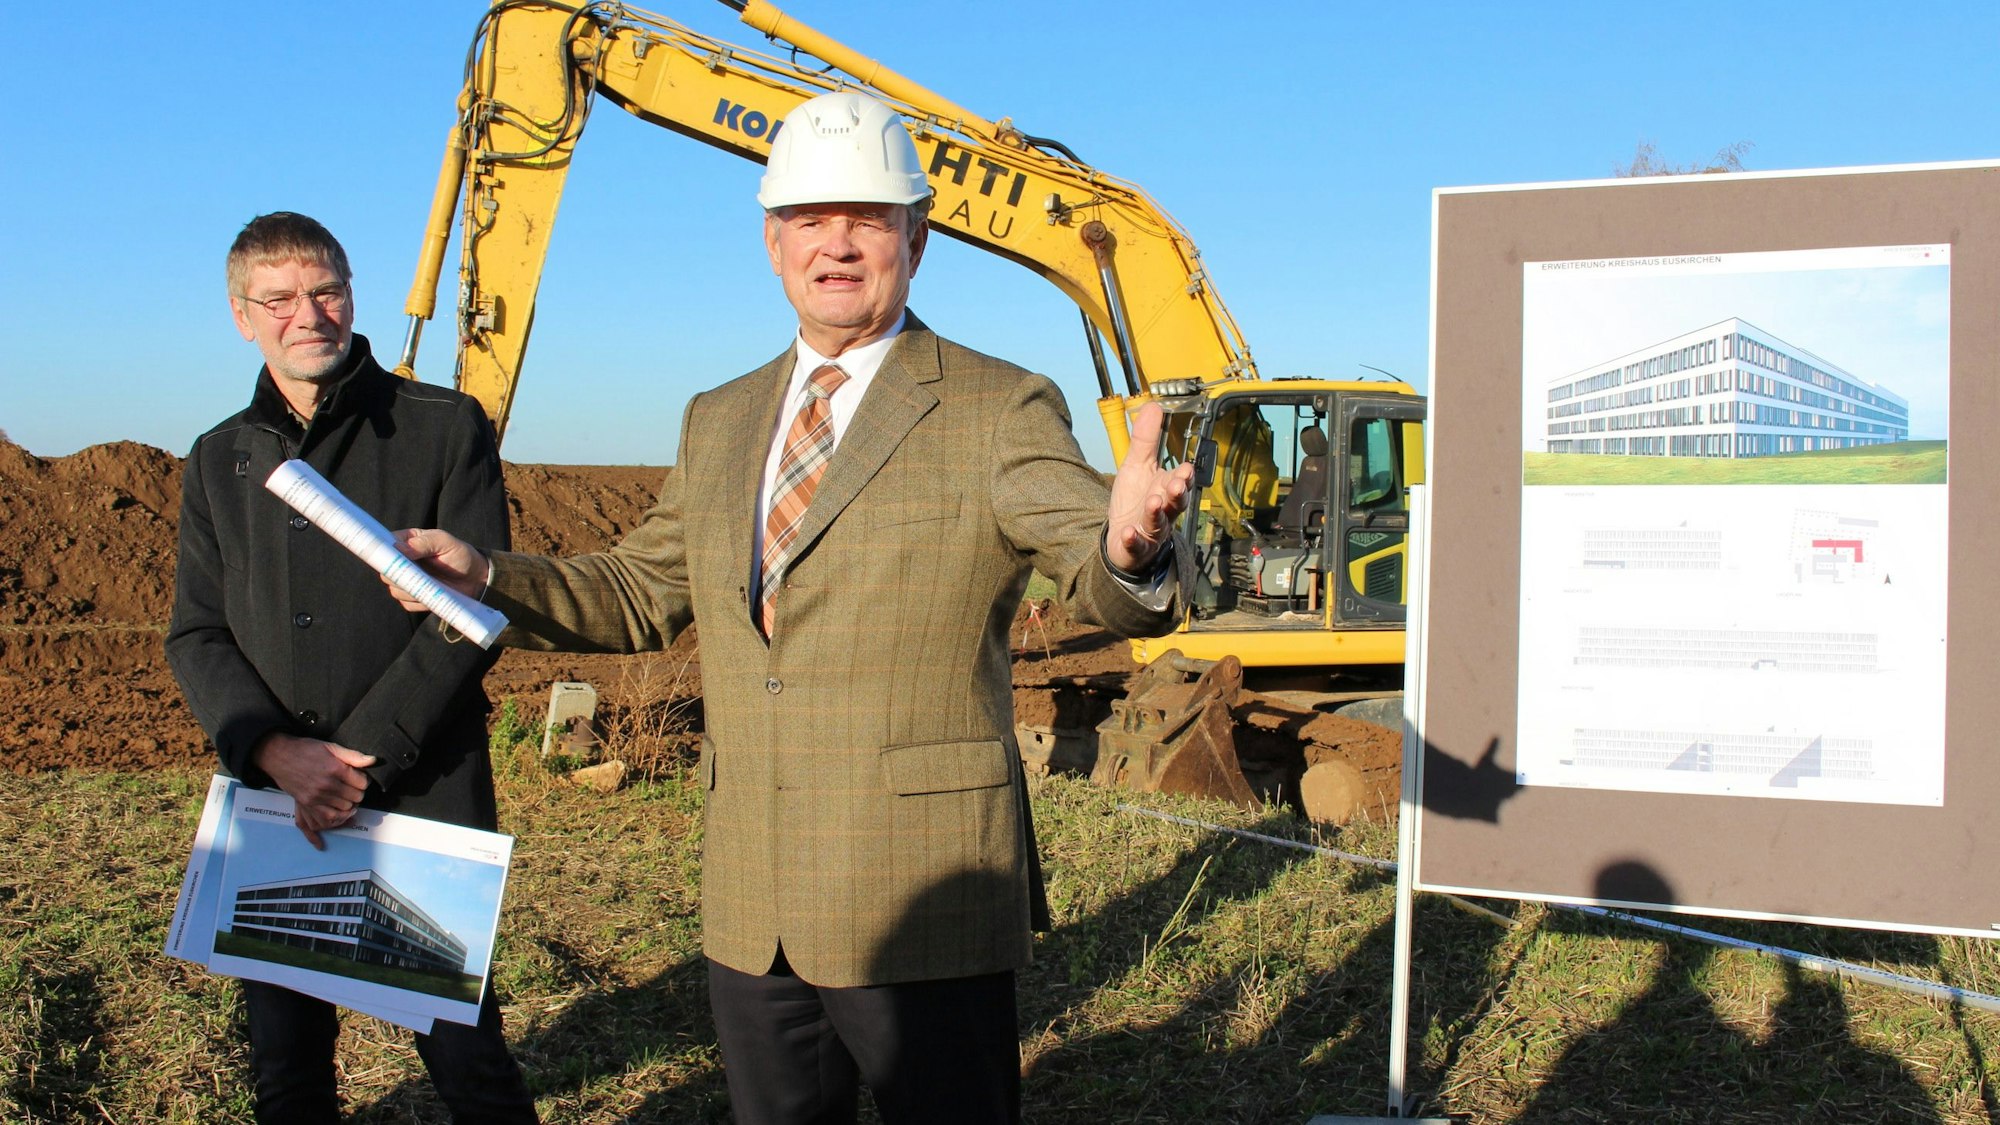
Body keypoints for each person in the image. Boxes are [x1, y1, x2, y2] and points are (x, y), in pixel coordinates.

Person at [394, 91, 1194, 1124]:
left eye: (866, 216)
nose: (838, 243)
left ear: (917, 236)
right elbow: (642, 590)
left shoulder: (998, 405)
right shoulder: (720, 418)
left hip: (919, 888)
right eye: (811, 219)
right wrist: (488, 576)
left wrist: (1126, 543)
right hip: (754, 891)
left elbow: (1091, 569)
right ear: (773, 243)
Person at [165, 212, 538, 1124]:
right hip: (275, 801)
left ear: (351, 293)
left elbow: (473, 610)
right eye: (280, 298)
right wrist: (276, 751)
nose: (309, 315)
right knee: (286, 1069)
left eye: (325, 291)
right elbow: (197, 633)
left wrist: (355, 759)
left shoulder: (443, 426)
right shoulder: (220, 458)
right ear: (240, 311)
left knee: (467, 1061)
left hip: (419, 788)